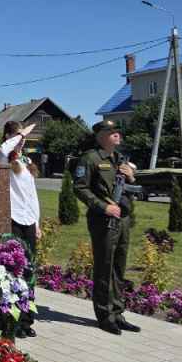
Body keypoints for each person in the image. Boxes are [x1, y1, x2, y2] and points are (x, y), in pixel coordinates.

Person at [72, 119, 140, 336]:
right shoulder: (90, 158)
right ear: (100, 136)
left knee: (119, 267)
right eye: (111, 132)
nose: (117, 134)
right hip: (103, 220)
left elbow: (128, 186)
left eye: (117, 131)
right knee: (105, 267)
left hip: (123, 219)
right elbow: (80, 188)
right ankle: (105, 316)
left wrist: (131, 177)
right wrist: (104, 207)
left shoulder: (120, 159)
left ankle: (118, 313)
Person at [0, 121, 41, 338]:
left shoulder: (26, 161)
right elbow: (3, 150)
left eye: (24, 137)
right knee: (13, 270)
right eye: (18, 136)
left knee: (28, 270)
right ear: (8, 136)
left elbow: (32, 196)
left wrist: (37, 222)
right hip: (13, 219)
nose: (23, 140)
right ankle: (13, 320)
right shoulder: (2, 156)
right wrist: (20, 135)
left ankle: (26, 319)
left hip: (28, 220)